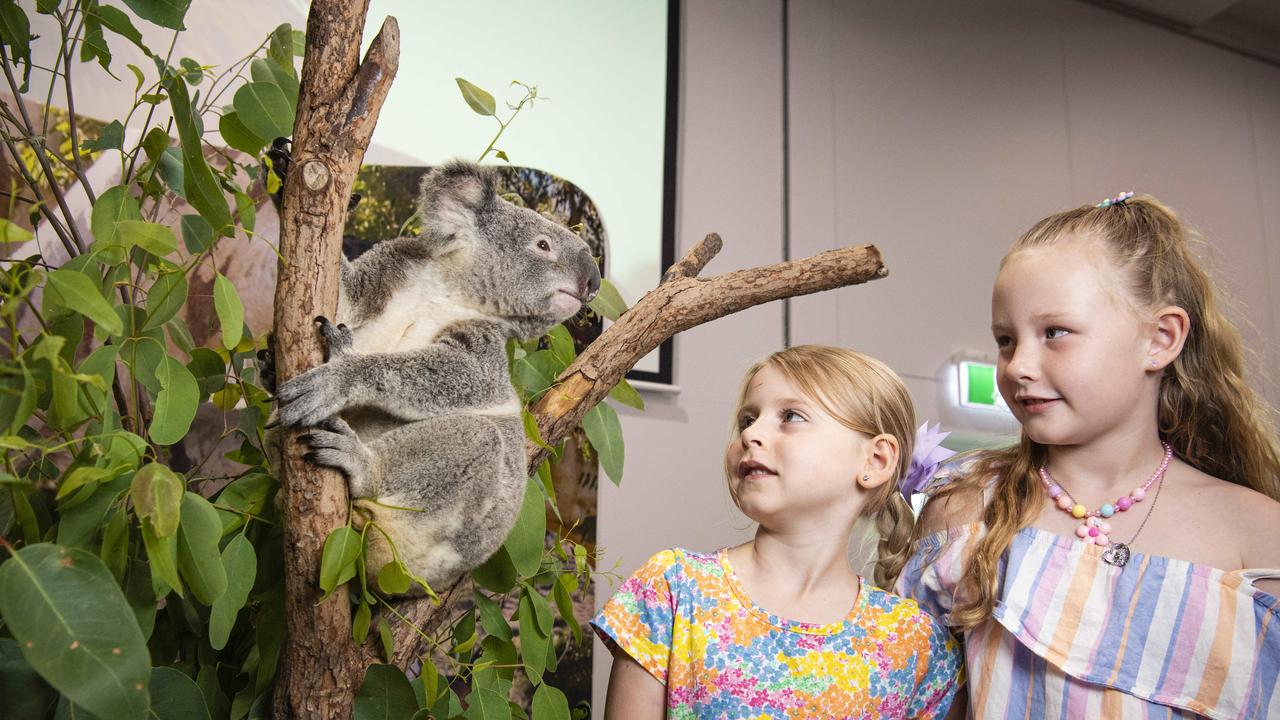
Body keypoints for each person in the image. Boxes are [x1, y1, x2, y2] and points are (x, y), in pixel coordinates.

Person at [898, 193, 1280, 718]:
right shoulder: (965, 511)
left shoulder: (1256, 535)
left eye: (1055, 333)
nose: (1017, 367)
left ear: (1161, 339)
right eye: (1006, 340)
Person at [593, 345, 963, 719]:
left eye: (790, 416)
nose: (752, 433)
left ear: (875, 460)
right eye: (747, 420)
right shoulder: (673, 590)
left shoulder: (915, 645)